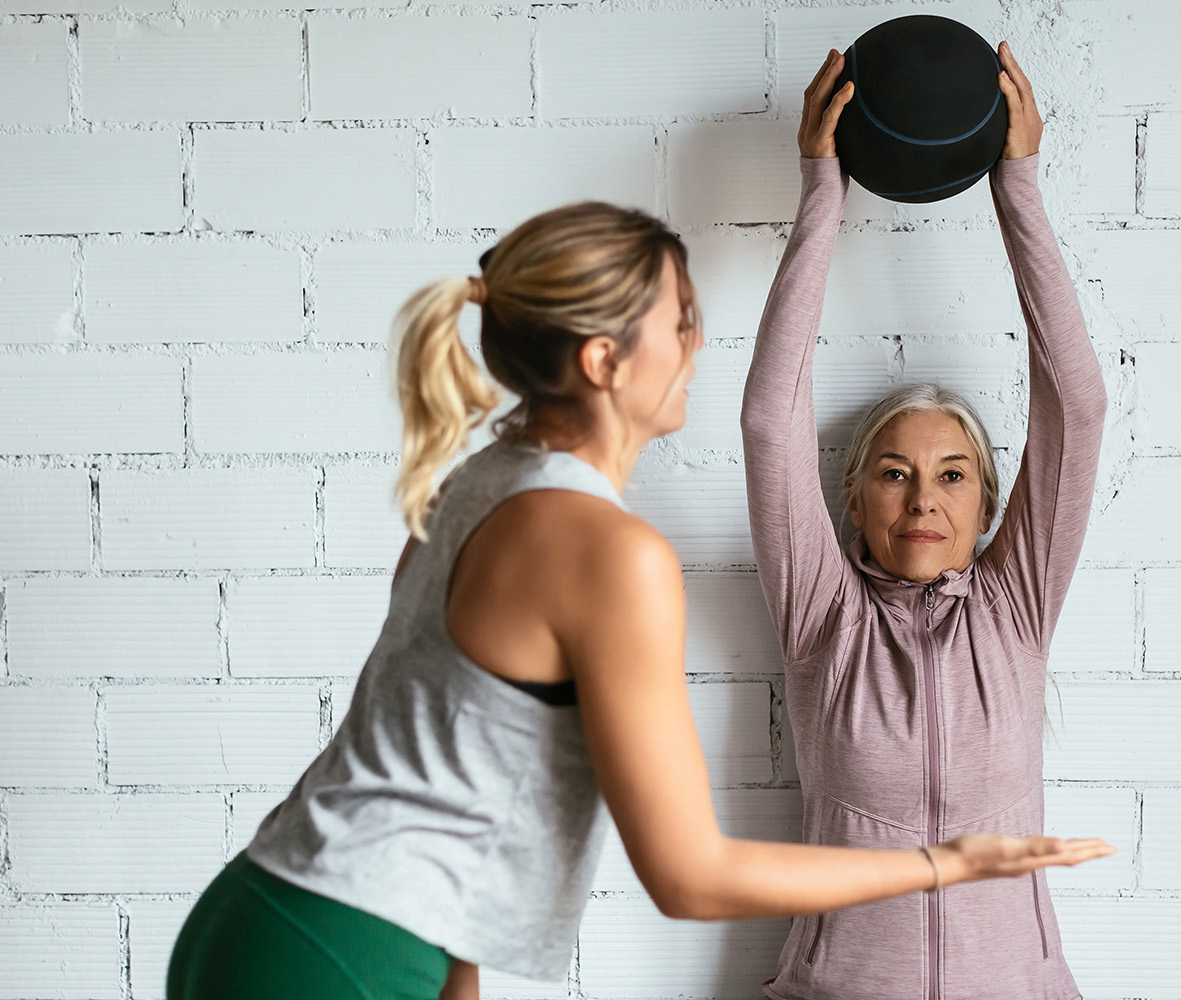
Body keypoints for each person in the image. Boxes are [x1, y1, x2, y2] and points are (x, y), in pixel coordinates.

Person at [166, 194, 1112, 1000]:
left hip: (279, 914)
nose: (698, 341)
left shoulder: (479, 484)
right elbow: (687, 874)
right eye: (681, 319)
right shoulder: (611, 553)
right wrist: (944, 864)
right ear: (605, 362)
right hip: (345, 950)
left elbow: (438, 770)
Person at [742, 42, 1109, 1000]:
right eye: (894, 474)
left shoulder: (1016, 609)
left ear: (987, 506)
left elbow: (1078, 408)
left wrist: (1017, 188)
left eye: (952, 475)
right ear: (854, 501)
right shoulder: (826, 622)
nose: (923, 499)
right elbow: (768, 421)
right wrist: (822, 192)